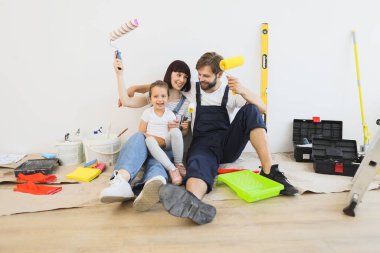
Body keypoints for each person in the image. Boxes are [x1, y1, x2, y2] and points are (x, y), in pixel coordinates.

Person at [159, 52, 298, 225]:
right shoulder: (194, 88)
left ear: (219, 74)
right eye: (199, 74)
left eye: (206, 76)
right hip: (203, 145)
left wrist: (242, 90)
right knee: (198, 165)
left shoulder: (231, 93)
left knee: (251, 110)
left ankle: (269, 171)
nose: (201, 79)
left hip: (227, 144)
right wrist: (134, 89)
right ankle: (192, 201)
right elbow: (165, 86)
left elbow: (263, 108)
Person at [99, 53, 192, 211]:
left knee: (157, 166)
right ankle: (121, 180)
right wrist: (119, 74)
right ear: (170, 74)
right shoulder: (154, 96)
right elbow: (127, 101)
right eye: (178, 74)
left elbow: (183, 133)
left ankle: (152, 185)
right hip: (149, 144)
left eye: (185, 76)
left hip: (166, 150)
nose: (181, 79)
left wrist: (180, 129)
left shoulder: (187, 104)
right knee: (138, 137)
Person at [140, 81, 187, 185]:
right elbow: (141, 132)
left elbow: (173, 135)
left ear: (168, 98)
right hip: (152, 146)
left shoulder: (170, 114)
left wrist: (177, 127)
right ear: (150, 98)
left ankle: (178, 163)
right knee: (149, 140)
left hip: (166, 144)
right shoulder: (147, 112)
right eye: (156, 96)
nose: (160, 99)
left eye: (163, 96)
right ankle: (172, 169)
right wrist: (157, 139)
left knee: (175, 131)